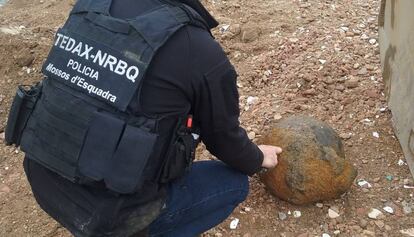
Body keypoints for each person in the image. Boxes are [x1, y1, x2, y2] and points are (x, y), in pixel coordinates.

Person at [8, 0, 282, 236]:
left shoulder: (89, 6)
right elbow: (224, 139)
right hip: (112, 216)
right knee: (232, 185)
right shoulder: (197, 48)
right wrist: (257, 158)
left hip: (43, 180)